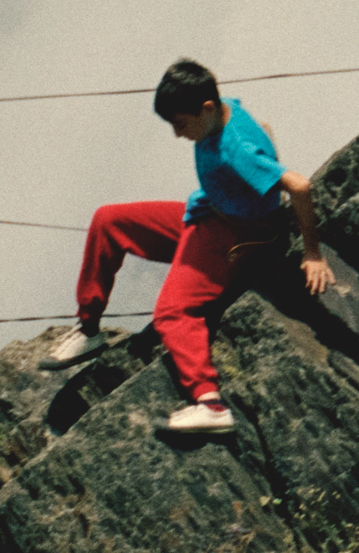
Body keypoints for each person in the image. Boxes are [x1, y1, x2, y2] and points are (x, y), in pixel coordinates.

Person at [52, 59, 290, 440]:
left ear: (207, 109)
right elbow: (265, 132)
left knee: (172, 313)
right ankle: (89, 329)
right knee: (108, 221)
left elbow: (293, 185)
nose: (178, 134)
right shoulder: (219, 108)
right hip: (205, 217)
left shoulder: (236, 147)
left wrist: (310, 253)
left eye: (180, 124)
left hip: (230, 238)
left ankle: (210, 405)